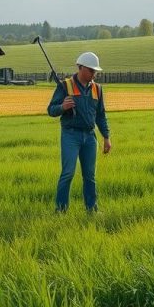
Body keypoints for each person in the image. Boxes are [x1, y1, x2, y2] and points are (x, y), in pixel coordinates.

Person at [47, 51, 112, 212]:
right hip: (70, 135)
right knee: (68, 173)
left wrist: (106, 137)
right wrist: (63, 107)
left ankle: (92, 209)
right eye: (91, 70)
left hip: (90, 137)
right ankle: (61, 211)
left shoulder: (97, 89)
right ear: (80, 68)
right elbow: (51, 110)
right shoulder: (65, 86)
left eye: (95, 71)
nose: (94, 74)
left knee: (90, 176)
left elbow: (101, 115)